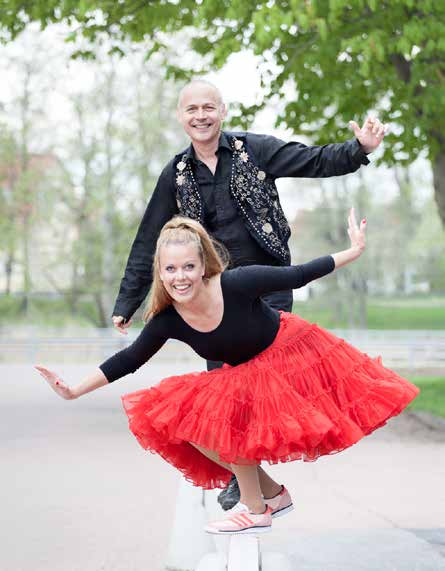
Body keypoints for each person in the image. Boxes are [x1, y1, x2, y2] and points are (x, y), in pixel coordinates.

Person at [36, 209, 419, 536]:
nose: (180, 276)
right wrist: (73, 391)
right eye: (171, 269)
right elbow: (129, 359)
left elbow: (298, 274)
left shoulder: (236, 283)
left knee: (227, 416)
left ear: (204, 266)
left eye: (189, 266)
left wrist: (353, 251)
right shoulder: (167, 320)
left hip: (287, 354)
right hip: (245, 372)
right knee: (183, 419)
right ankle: (274, 496)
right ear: (160, 272)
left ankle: (256, 512)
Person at [111, 79, 388, 509]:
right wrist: (127, 302)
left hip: (265, 286)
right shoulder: (176, 174)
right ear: (181, 118)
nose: (200, 116)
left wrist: (359, 149)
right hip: (211, 299)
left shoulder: (251, 150)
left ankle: (254, 481)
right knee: (222, 389)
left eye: (208, 107)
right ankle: (256, 486)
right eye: (191, 110)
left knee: (256, 386)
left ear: (222, 111)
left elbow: (311, 160)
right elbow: (150, 238)